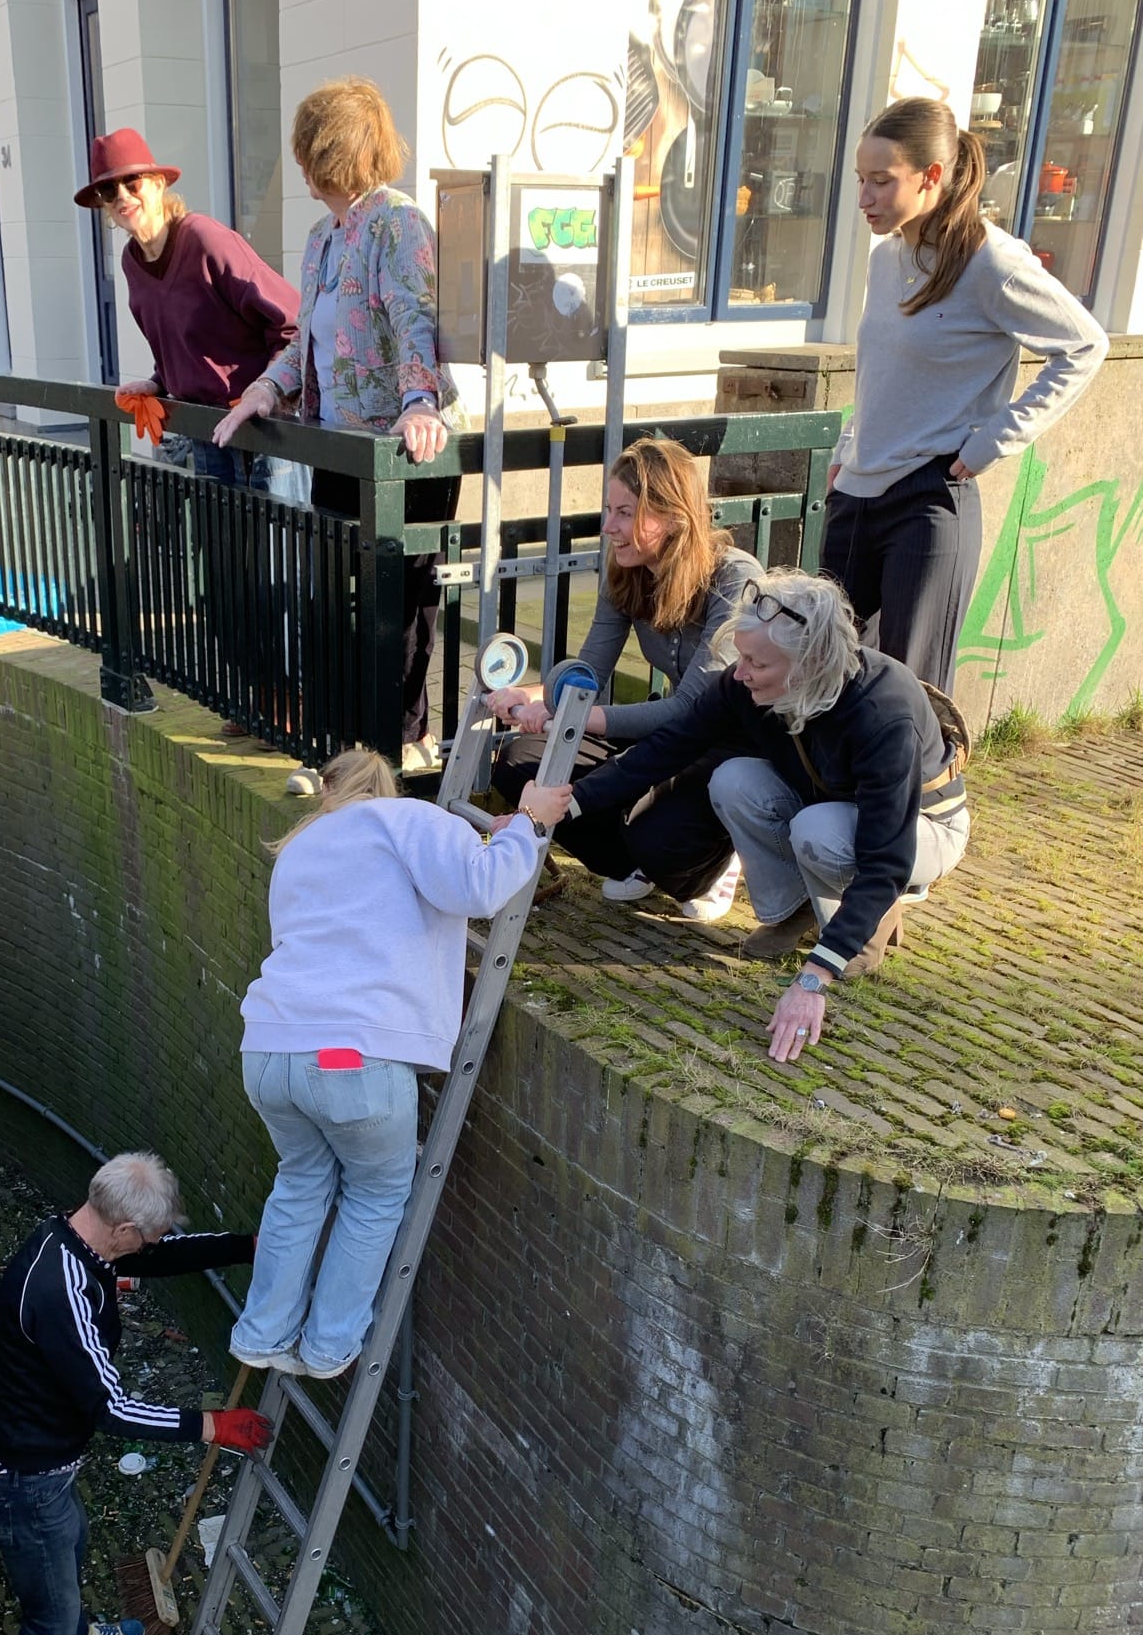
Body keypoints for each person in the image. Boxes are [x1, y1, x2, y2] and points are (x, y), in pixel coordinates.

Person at [521, 571, 970, 1065]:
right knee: (734, 779)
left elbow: (885, 857)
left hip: (922, 827)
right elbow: (668, 746)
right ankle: (795, 911)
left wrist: (813, 978)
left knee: (820, 833)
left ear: (809, 664)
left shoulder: (883, 711)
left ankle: (861, 929)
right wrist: (564, 803)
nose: (740, 674)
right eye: (742, 657)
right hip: (832, 807)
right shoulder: (748, 683)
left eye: (757, 662)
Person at [228, 748, 547, 1379]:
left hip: (268, 1045)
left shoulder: (299, 847)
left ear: (328, 788)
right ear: (386, 787)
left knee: (300, 1184)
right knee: (375, 1194)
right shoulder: (407, 819)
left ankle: (262, 1333)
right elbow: (480, 887)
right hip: (350, 1054)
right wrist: (529, 825)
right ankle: (328, 1348)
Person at [0, 1151, 270, 1635]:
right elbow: (111, 1407)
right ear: (123, 1229)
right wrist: (211, 1425)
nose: (152, 1245)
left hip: (37, 1463)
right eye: (147, 1236)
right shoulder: (65, 1291)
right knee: (48, 1617)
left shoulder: (73, 1237)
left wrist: (245, 1247)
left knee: (72, 1543)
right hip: (22, 1478)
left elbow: (158, 1256)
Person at [213, 78, 460, 783]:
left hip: (403, 452)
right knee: (333, 601)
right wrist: (265, 390)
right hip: (338, 447)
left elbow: (416, 319)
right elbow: (306, 342)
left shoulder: (398, 224)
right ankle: (341, 748)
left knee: (400, 611)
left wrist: (420, 402)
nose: (303, 167)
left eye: (310, 152)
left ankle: (399, 747)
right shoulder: (322, 238)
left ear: (332, 153)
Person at [825, 97, 1107, 692]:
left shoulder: (993, 263)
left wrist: (992, 441)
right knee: (824, 677)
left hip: (928, 497)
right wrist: (847, 447)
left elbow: (1084, 345)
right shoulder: (887, 258)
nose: (865, 197)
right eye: (860, 179)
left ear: (931, 176)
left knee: (909, 692)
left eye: (881, 180)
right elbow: (883, 369)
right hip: (855, 491)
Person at [484, 436, 761, 919]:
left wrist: (572, 718)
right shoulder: (625, 572)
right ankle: (637, 862)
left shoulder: (734, 579)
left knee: (656, 835)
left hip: (729, 745)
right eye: (609, 510)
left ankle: (719, 856)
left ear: (673, 516)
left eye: (625, 513)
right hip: (671, 742)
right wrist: (534, 697)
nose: (608, 527)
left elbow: (691, 710)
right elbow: (587, 672)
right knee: (520, 761)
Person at [75, 129, 311, 508]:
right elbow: (185, 341)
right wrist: (159, 382)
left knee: (278, 543)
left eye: (132, 183)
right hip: (207, 429)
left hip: (262, 427)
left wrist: (269, 391)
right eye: (108, 190)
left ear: (157, 184)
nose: (122, 196)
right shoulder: (132, 262)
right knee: (221, 543)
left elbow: (292, 324)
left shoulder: (204, 239)